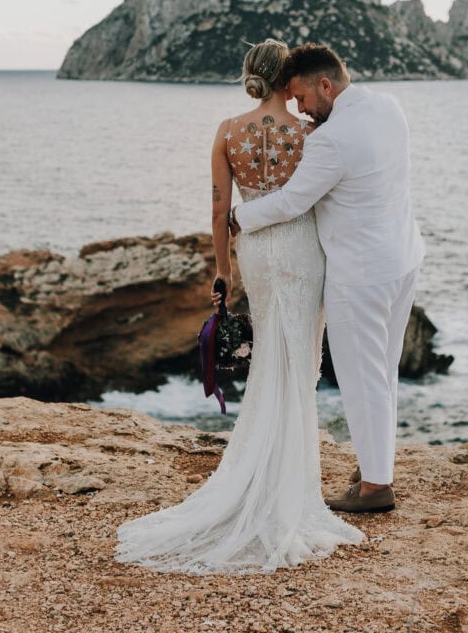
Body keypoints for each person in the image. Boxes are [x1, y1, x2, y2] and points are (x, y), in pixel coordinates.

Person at [114, 38, 363, 574]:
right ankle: (290, 488)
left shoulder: (228, 131)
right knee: (299, 361)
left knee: (272, 354)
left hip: (257, 251)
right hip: (301, 248)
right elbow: (326, 199)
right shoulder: (310, 131)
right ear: (286, 79)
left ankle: (268, 473)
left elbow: (219, 209)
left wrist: (222, 272)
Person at [230, 43, 425, 513]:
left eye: (302, 98)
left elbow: (293, 201)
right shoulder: (388, 107)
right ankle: (377, 464)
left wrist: (240, 215)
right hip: (403, 259)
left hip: (360, 274)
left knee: (361, 379)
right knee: (385, 370)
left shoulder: (329, 141)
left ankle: (377, 488)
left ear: (324, 84)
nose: (299, 109)